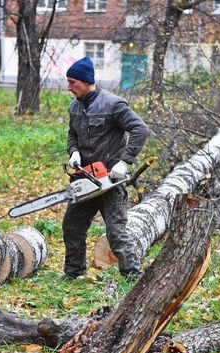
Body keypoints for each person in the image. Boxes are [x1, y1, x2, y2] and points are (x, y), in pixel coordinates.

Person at [62, 56, 149, 280]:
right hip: (84, 180)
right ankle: (74, 273)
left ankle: (132, 276)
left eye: (73, 82)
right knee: (72, 226)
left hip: (110, 180)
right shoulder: (75, 106)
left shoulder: (113, 104)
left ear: (85, 81)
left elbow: (140, 129)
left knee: (116, 233)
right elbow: (72, 133)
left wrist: (125, 162)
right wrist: (74, 152)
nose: (69, 87)